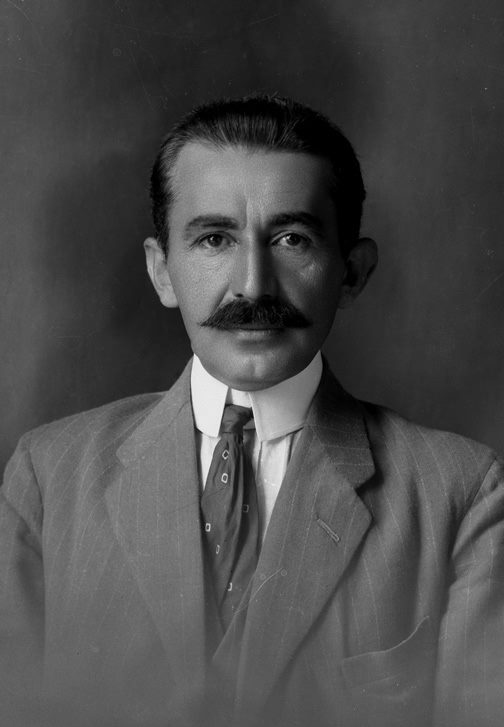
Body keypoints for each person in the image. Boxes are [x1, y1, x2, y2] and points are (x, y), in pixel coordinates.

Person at [1, 94, 503, 727]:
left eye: (292, 239)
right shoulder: (47, 479)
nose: (253, 284)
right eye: (214, 239)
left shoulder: (462, 495)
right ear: (162, 271)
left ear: (352, 272)